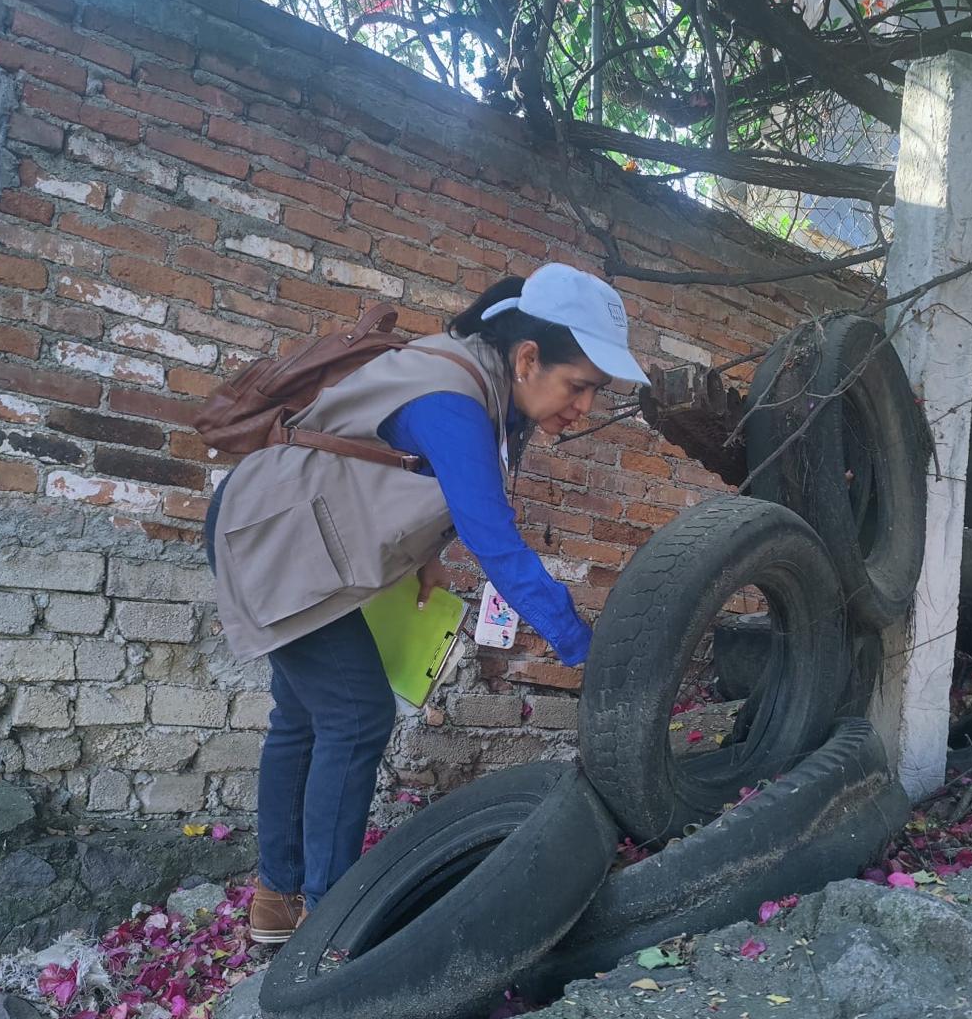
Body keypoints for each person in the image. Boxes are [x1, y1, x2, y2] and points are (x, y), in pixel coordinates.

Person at [205, 263, 650, 944]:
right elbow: (495, 540)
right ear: (529, 357)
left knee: (302, 716)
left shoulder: (485, 386)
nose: (585, 407)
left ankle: (277, 897)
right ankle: (329, 923)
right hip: (276, 539)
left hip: (284, 531)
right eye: (581, 386)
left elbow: (394, 463)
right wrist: (583, 645)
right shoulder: (455, 397)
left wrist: (427, 558)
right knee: (355, 714)